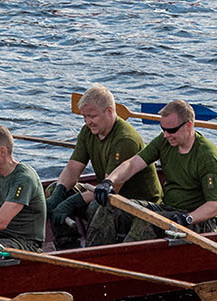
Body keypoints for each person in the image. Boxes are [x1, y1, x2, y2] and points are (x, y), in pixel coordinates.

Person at [86, 99, 217, 243]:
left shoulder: (208, 157)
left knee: (146, 222)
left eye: (171, 130)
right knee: (110, 207)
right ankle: (92, 252)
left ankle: (126, 254)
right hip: (169, 209)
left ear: (188, 125)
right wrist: (109, 181)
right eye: (163, 129)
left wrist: (187, 219)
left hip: (199, 220)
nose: (166, 135)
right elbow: (133, 164)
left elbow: (213, 207)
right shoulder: (165, 141)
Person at [49, 84, 160, 248]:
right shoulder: (87, 132)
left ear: (109, 111)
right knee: (55, 188)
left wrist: (71, 203)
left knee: (100, 205)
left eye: (92, 116)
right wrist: (58, 194)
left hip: (135, 204)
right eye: (84, 117)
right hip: (105, 194)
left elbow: (111, 188)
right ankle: (67, 245)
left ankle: (94, 251)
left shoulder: (125, 139)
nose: (88, 122)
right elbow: (72, 169)